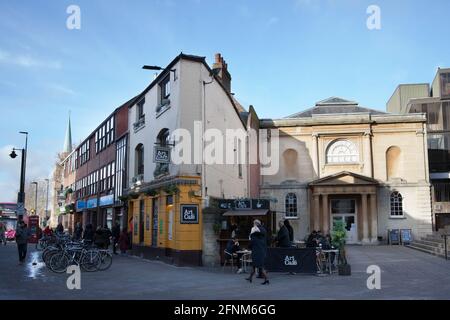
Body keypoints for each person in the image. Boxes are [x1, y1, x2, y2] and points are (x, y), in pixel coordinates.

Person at [245, 219, 269, 285]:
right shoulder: (263, 232)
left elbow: (251, 244)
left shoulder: (254, 236)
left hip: (257, 253)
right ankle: (250, 277)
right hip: (262, 251)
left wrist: (249, 246)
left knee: (260, 266)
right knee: (254, 266)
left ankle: (266, 279)